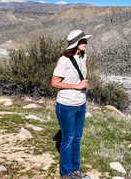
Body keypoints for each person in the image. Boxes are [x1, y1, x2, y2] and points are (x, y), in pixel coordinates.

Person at [51, 30, 92, 179]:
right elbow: (54, 82)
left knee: (77, 138)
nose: (86, 43)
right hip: (67, 105)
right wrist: (77, 86)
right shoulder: (64, 60)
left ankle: (76, 170)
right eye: (83, 41)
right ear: (75, 44)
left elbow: (79, 78)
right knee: (68, 139)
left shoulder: (83, 56)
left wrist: (83, 85)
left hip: (80, 104)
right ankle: (67, 173)